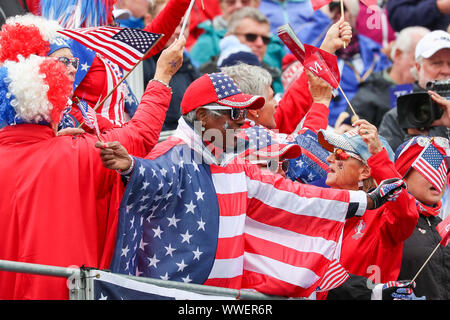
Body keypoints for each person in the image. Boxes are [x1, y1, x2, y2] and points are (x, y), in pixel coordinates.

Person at [95, 71, 406, 298]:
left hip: (226, 300)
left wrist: (369, 201)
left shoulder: (233, 164)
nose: (242, 123)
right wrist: (131, 167)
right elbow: (156, 176)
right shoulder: (174, 154)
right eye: (234, 113)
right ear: (202, 116)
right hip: (176, 297)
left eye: (244, 114)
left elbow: (294, 196)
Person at [0, 36, 185, 300]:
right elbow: (140, 135)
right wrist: (162, 76)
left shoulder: (74, 147)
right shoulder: (80, 151)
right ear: (53, 105)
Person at [316, 119, 419, 293]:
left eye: (339, 153)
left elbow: (406, 214)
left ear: (364, 171)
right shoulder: (324, 207)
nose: (329, 158)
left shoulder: (383, 217)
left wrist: (377, 155)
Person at [335, 26, 429, 131]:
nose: (424, 66)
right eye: (418, 59)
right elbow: (349, 132)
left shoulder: (430, 91)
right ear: (398, 55)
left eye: (430, 62)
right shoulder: (371, 90)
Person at [394, 135, 450, 300]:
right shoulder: (388, 220)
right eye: (431, 167)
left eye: (444, 169)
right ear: (403, 173)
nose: (439, 177)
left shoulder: (444, 225)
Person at [379, 30, 450, 151]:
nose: (446, 70)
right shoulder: (398, 116)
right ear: (418, 67)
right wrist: (414, 138)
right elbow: (390, 167)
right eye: (437, 63)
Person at [326, 1, 391, 126]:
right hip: (336, 126)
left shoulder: (375, 52)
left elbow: (387, 87)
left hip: (373, 123)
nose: (339, 18)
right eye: (335, 14)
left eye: (343, 12)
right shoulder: (325, 53)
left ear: (353, 15)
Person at [142, 0, 201, 131]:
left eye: (184, 26)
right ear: (148, 20)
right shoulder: (137, 66)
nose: (178, 31)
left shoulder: (190, 67)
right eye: (173, 24)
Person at [197, 7, 285, 93]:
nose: (260, 43)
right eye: (251, 37)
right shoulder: (206, 77)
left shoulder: (275, 75)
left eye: (265, 39)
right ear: (229, 37)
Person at [189, 0, 261, 67]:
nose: (238, 6)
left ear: (256, 4)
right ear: (221, 6)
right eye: (231, 2)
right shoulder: (206, 42)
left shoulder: (269, 40)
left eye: (245, 2)